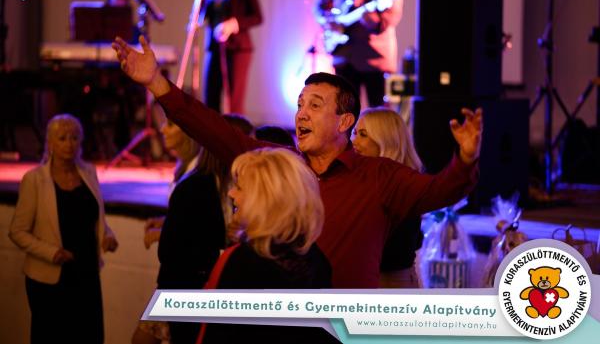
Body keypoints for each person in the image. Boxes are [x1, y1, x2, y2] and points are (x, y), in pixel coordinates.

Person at [112, 36, 482, 289]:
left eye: (315, 106)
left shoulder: (378, 175)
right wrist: (157, 83)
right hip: (285, 325)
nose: (301, 113)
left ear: (344, 122)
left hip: (347, 329)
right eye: (300, 104)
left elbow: (439, 191)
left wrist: (465, 159)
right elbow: (215, 132)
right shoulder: (282, 166)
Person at [132, 115, 253, 344]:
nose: (252, 151)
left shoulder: (240, 186)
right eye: (245, 143)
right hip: (186, 291)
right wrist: (221, 250)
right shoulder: (195, 187)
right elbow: (171, 252)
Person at [198, 148, 335, 344]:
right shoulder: (315, 258)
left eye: (239, 188)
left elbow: (216, 334)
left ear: (262, 199)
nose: (231, 193)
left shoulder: (241, 261)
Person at [9, 114, 118, 344]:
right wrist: (52, 252)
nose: (69, 143)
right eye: (62, 138)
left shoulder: (89, 172)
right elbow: (17, 231)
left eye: (74, 137)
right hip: (50, 278)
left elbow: (95, 218)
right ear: (50, 142)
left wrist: (107, 235)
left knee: (89, 336)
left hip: (86, 272)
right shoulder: (35, 180)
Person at [319, 0, 403, 106]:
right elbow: (320, 5)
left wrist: (370, 19)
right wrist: (328, 21)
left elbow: (391, 17)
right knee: (344, 111)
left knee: (378, 113)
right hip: (343, 56)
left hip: (373, 57)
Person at [351, 107, 423, 288]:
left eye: (363, 134)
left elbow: (396, 249)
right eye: (354, 133)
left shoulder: (401, 186)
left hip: (389, 281)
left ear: (385, 141)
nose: (353, 141)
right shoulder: (362, 179)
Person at [200, 0, 263, 114]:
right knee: (210, 97)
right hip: (215, 47)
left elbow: (257, 17)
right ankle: (210, 130)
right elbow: (201, 18)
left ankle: (234, 130)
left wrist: (233, 24)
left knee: (233, 99)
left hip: (237, 49)